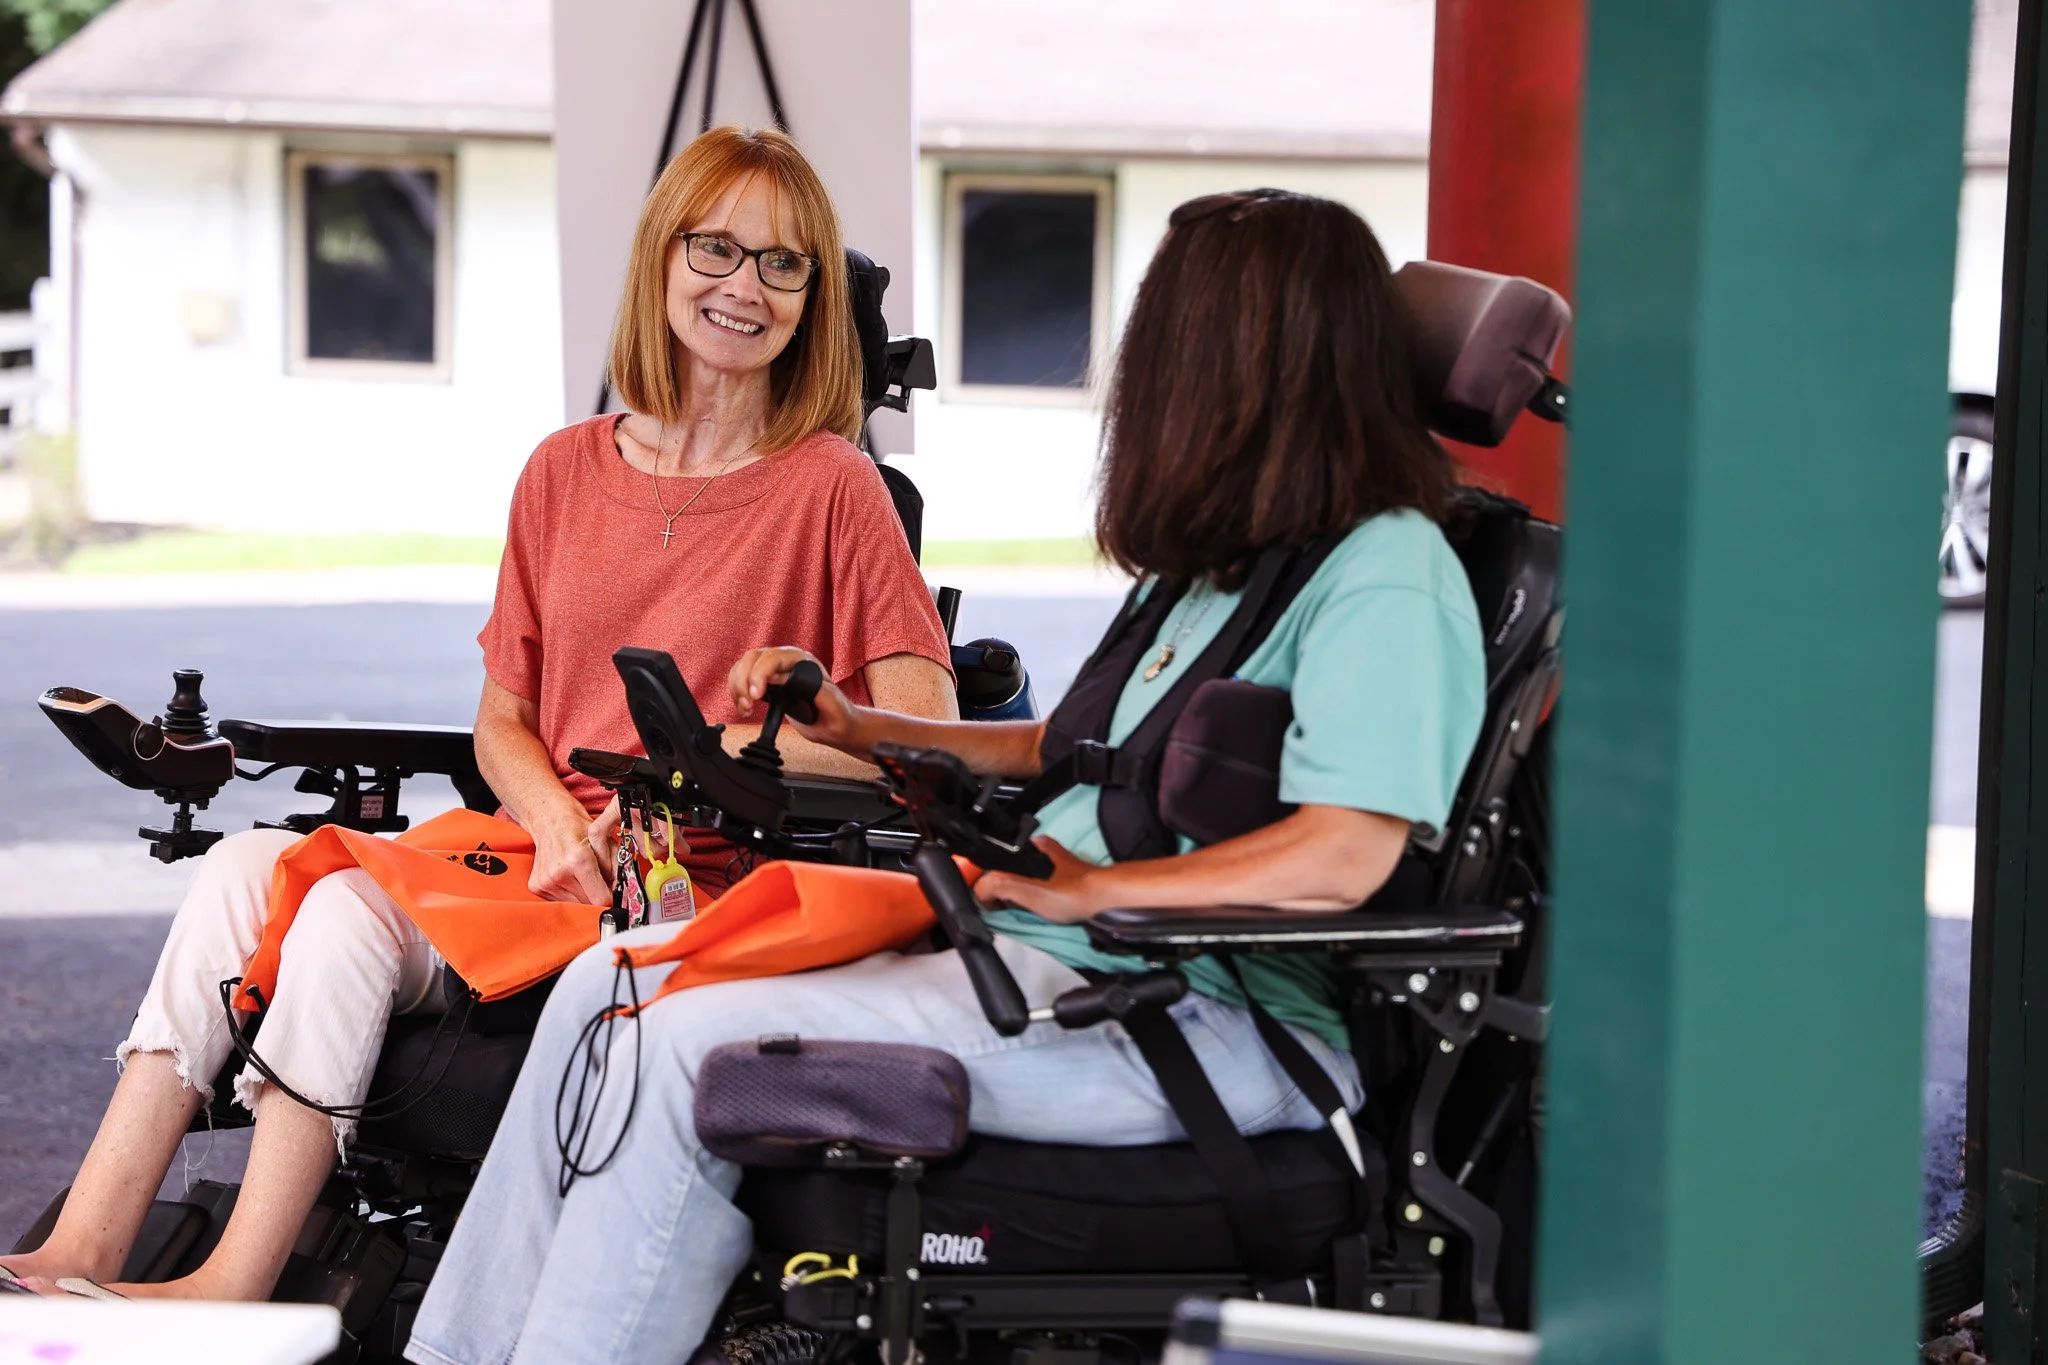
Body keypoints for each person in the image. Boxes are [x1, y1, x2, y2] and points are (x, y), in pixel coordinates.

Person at [402, 189, 1487, 1365]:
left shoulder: (1386, 573)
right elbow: (1065, 745)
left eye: (1169, 339)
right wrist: (861, 728)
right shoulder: (1226, 565)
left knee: (669, 1046)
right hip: (1058, 973)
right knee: (613, 985)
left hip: (1203, 1026)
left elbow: (1349, 850)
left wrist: (1093, 895)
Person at [1, 125, 955, 1303]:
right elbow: (502, 720)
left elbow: (923, 734)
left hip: (691, 890)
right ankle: (83, 1249)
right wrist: (555, 820)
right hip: (545, 856)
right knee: (243, 865)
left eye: (781, 264)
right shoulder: (562, 471)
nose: (742, 287)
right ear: (661, 261)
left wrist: (741, 749)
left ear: (811, 300)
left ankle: (231, 1284)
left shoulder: (831, 486)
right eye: (716, 249)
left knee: (346, 915)